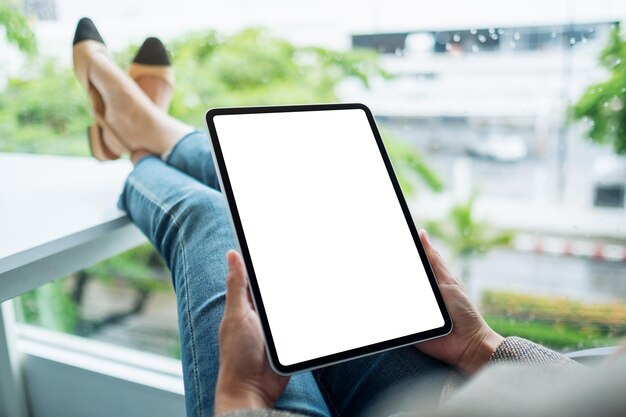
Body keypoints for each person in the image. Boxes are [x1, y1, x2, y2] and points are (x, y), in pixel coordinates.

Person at [72, 18, 626, 417]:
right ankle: (145, 129)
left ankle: (134, 137)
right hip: (459, 393)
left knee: (212, 219)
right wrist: (479, 343)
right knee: (285, 195)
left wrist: (243, 395)